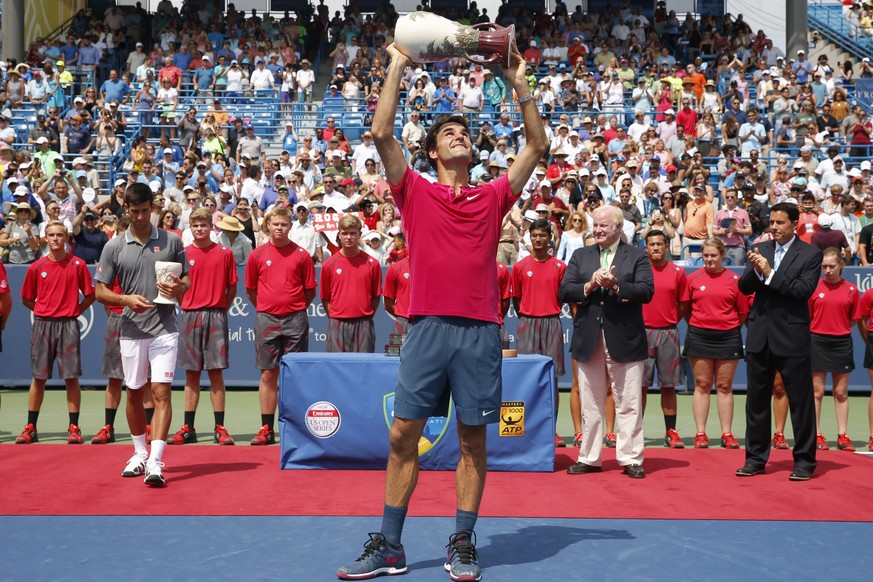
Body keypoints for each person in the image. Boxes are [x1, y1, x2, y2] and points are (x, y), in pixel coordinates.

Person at [337, 39, 548, 581]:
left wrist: (518, 79)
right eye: (449, 133)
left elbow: (536, 146)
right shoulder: (415, 192)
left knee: (473, 441)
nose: (461, 135)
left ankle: (462, 540)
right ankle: (389, 544)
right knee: (402, 437)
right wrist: (397, 65)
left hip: (480, 332)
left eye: (465, 132)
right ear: (433, 151)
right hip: (427, 329)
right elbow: (381, 132)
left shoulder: (495, 195)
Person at [94, 183, 189, 487]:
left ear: (153, 207)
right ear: (126, 210)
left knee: (161, 393)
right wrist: (126, 300)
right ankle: (138, 454)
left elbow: (186, 280)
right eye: (134, 211)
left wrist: (179, 288)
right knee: (134, 392)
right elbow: (99, 291)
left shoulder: (172, 241)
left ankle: (156, 462)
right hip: (132, 329)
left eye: (145, 210)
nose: (140, 216)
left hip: (165, 329)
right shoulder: (114, 246)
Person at [558, 205, 654, 479]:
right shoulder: (581, 255)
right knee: (590, 401)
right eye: (595, 225)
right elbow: (565, 290)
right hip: (588, 337)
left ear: (619, 228)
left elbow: (646, 291)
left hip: (625, 336)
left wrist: (615, 285)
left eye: (604, 226)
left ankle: (631, 458)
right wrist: (589, 286)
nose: (598, 230)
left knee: (629, 400)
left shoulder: (636, 256)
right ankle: (589, 457)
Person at [738, 202, 823, 481]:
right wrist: (756, 269)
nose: (773, 227)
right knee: (757, 402)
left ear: (794, 224)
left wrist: (770, 272)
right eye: (771, 222)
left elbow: (802, 291)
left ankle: (804, 462)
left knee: (800, 402)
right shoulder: (762, 249)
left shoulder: (810, 254)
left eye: (779, 223)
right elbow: (744, 287)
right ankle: (755, 459)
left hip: (792, 337)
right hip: (760, 337)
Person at [15, 221, 95, 444]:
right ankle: (31, 427)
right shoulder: (36, 267)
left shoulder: (78, 265)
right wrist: (44, 311)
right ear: (46, 238)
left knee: (71, 377)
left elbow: (90, 295)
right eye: (51, 235)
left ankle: (74, 427)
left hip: (69, 325)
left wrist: (73, 310)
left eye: (60, 235)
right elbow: (26, 299)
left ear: (67, 238)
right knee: (38, 378)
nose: (56, 239)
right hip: (42, 325)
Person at [245, 206, 316, 445]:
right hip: (267, 319)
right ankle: (266, 428)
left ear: (290, 226)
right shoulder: (257, 255)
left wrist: (292, 308)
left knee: (294, 375)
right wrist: (269, 307)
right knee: (268, 373)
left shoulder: (302, 255)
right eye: (275, 224)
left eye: (284, 224)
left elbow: (309, 292)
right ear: (267, 225)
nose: (279, 228)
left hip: (296, 319)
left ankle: (294, 429)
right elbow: (251, 290)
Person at [167, 208, 238, 446]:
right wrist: (188, 305)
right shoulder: (182, 254)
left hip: (216, 316)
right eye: (195, 225)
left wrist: (218, 309)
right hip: (189, 316)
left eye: (203, 225)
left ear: (211, 227)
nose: (199, 229)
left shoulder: (225, 253)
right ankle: (188, 427)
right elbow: (177, 290)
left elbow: (232, 289)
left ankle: (220, 427)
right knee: (192, 374)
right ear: (190, 227)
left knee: (216, 373)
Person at [684, 238, 749, 449]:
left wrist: (726, 326)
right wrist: (702, 324)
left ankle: (726, 433)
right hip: (699, 335)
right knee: (702, 385)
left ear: (722, 256)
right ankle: (701, 434)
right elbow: (686, 310)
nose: (709, 260)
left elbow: (742, 313)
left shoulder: (735, 280)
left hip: (728, 337)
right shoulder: (693, 278)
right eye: (706, 256)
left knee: (724, 386)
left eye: (713, 255)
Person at [512, 218, 567, 447]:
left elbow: (562, 297)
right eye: (534, 235)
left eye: (542, 235)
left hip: (552, 323)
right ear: (530, 237)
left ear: (549, 238)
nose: (538, 239)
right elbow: (516, 300)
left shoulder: (559, 267)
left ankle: (550, 431)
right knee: (526, 378)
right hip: (527, 323)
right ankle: (522, 430)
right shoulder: (520, 267)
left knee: (551, 380)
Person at [641, 230, 690, 448]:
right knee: (638, 387)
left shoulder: (678, 272)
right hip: (641, 334)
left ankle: (671, 433)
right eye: (651, 244)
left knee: (668, 387)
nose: (656, 248)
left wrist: (668, 320)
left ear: (667, 246)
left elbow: (683, 304)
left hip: (668, 333)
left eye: (660, 244)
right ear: (646, 248)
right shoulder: (638, 271)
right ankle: (634, 433)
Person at [809, 248, 860, 451]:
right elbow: (809, 315)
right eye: (824, 267)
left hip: (841, 342)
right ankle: (816, 435)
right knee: (817, 392)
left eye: (832, 266)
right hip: (817, 341)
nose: (828, 270)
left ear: (841, 266)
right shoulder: (813, 287)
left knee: (840, 392)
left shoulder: (851, 290)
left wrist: (837, 328)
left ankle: (842, 435)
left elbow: (854, 319)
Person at [320, 214, 382, 352]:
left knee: (363, 369)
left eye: (353, 233)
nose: (349, 237)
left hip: (364, 323)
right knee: (336, 369)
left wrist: (364, 315)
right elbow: (325, 298)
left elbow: (376, 297)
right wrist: (337, 317)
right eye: (345, 233)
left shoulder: (373, 264)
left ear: (360, 235)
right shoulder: (329, 265)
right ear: (339, 235)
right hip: (337, 323)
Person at [383, 255, 411, 335]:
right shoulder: (395, 268)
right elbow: (388, 304)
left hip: (425, 324)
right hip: (402, 323)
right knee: (398, 347)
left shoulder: (432, 268)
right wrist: (402, 315)